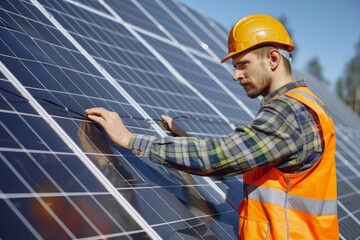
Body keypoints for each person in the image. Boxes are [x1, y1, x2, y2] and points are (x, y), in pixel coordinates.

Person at [85, 14, 338, 239]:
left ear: (272, 58)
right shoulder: (305, 102)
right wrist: (186, 138)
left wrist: (130, 140)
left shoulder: (288, 113)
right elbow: (246, 157)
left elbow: (219, 157)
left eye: (242, 64)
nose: (235, 75)